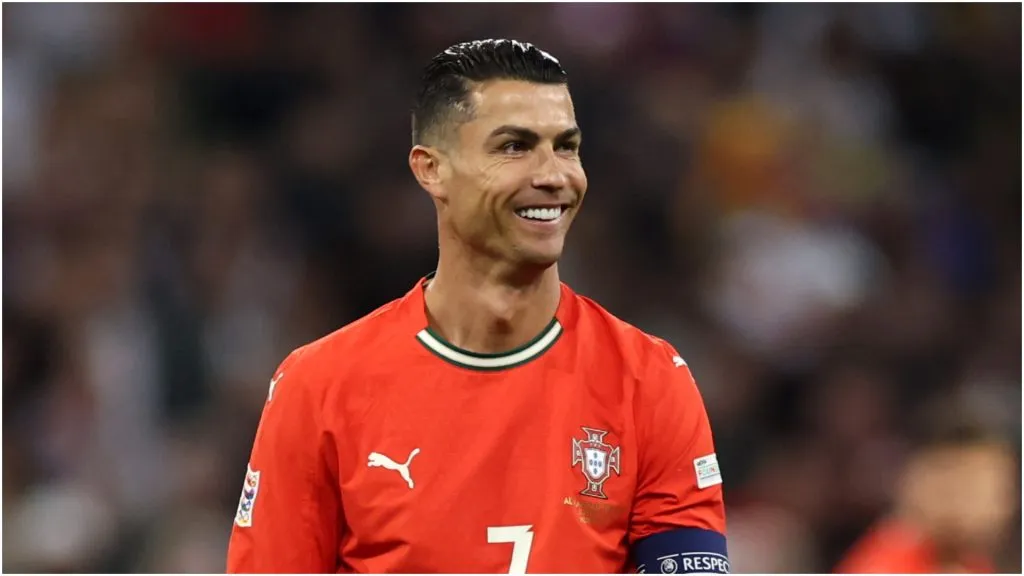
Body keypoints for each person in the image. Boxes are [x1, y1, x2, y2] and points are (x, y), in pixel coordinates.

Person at [226, 38, 728, 574]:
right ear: (431, 170)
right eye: (514, 146)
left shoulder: (649, 382)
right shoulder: (320, 388)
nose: (554, 175)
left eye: (566, 146)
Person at [834, 417, 1017, 573]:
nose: (1001, 505)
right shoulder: (880, 566)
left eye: (1001, 488)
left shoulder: (970, 561)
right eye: (976, 486)